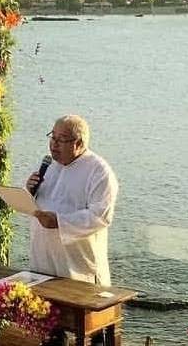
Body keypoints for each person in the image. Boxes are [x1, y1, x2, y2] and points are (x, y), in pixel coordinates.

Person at [26, 114, 119, 286]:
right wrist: (29, 192)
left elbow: (100, 216)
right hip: (42, 265)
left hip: (78, 269)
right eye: (52, 137)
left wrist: (60, 222)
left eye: (61, 139)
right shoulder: (48, 165)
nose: (54, 144)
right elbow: (38, 204)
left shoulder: (99, 171)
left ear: (79, 143)